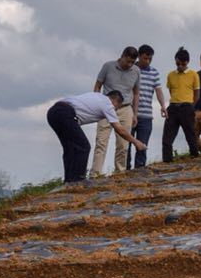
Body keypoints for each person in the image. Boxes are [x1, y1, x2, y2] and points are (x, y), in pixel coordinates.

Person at [47, 91, 146, 183]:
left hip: (53, 112)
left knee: (70, 148)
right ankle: (77, 181)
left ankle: (69, 181)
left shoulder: (97, 96)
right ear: (115, 101)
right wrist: (136, 142)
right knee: (84, 147)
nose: (115, 110)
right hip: (65, 113)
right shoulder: (108, 104)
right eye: (117, 107)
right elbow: (120, 129)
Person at [91, 47, 141, 175]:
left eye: (132, 62)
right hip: (106, 107)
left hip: (125, 108)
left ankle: (119, 173)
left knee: (123, 145)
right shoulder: (108, 66)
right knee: (101, 142)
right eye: (127, 61)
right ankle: (95, 174)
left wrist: (135, 114)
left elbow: (136, 93)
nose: (129, 65)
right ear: (122, 56)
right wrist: (97, 103)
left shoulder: (136, 71)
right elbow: (98, 85)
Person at [127, 44, 167, 169]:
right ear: (139, 56)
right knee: (125, 145)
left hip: (146, 115)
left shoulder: (154, 72)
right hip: (129, 113)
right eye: (145, 58)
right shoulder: (131, 69)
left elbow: (158, 90)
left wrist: (163, 105)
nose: (147, 61)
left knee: (142, 146)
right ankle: (125, 171)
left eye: (150, 59)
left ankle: (139, 172)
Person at [162, 47, 200, 162]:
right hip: (173, 107)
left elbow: (197, 93)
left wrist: (191, 106)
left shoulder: (193, 74)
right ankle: (167, 161)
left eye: (183, 64)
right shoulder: (170, 75)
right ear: (175, 61)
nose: (180, 67)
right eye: (178, 64)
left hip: (187, 107)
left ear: (187, 62)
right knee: (167, 138)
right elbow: (171, 91)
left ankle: (194, 157)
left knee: (190, 135)